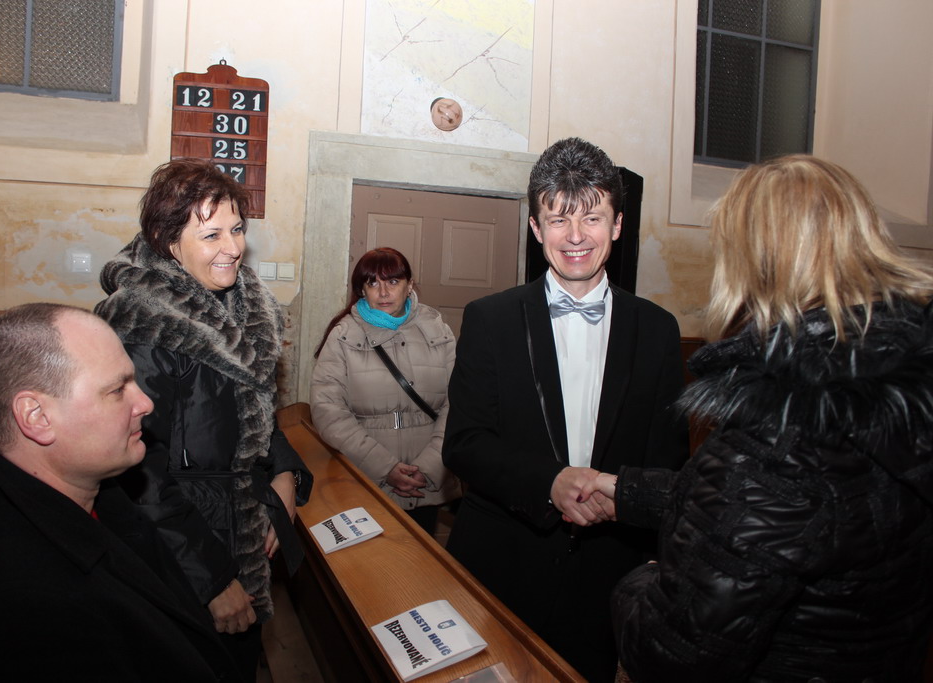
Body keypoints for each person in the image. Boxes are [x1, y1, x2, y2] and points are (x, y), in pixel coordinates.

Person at [607, 155, 933, 682]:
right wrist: (623, 490)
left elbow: (670, 655)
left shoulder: (780, 433)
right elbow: (805, 511)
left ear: (752, 262)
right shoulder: (893, 383)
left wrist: (647, 581)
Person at [442, 137, 689, 680]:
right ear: (536, 228)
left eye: (592, 218)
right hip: (502, 563)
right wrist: (548, 482)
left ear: (617, 225)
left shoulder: (657, 330)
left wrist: (637, 522)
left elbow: (668, 459)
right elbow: (464, 444)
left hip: (608, 574)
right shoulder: (489, 319)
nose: (576, 236)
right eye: (558, 219)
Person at [0, 304, 239, 680]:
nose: (145, 404)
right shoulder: (29, 610)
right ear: (37, 417)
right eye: (117, 389)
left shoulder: (95, 495)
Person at [96, 158, 313, 679]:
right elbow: (135, 474)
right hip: (179, 550)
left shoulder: (242, 307)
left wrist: (284, 472)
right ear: (168, 242)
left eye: (237, 229)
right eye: (211, 234)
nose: (233, 247)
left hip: (236, 527)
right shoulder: (143, 325)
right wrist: (211, 580)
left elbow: (254, 412)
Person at [311, 247, 460, 535]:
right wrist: (384, 467)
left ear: (409, 285)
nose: (383, 292)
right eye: (373, 283)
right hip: (365, 479)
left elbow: (458, 404)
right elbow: (328, 411)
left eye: (392, 281)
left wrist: (429, 468)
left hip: (425, 482)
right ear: (361, 290)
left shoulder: (438, 330)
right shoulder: (343, 335)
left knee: (421, 558)